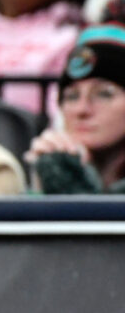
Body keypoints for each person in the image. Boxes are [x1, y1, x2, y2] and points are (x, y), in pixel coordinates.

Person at [26, 22, 125, 194]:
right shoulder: (53, 162)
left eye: (104, 94)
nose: (82, 110)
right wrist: (41, 188)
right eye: (72, 96)